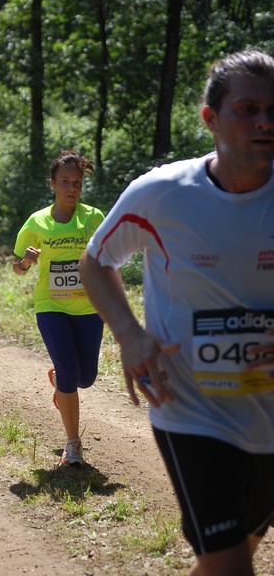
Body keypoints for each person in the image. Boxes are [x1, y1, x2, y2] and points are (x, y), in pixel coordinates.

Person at [79, 50, 274, 575]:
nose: (265, 122)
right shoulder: (164, 193)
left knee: (229, 558)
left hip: (268, 412)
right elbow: (96, 262)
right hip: (189, 405)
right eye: (248, 109)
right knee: (231, 561)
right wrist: (130, 334)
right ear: (210, 118)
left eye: (273, 110)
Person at [13, 149, 104, 467]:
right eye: (65, 181)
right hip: (50, 305)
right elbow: (17, 268)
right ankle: (73, 443)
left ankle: (62, 385)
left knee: (86, 377)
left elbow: (107, 259)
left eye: (77, 182)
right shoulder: (36, 222)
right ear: (52, 184)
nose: (71, 187)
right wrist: (25, 261)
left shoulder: (94, 218)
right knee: (69, 373)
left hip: (88, 307)